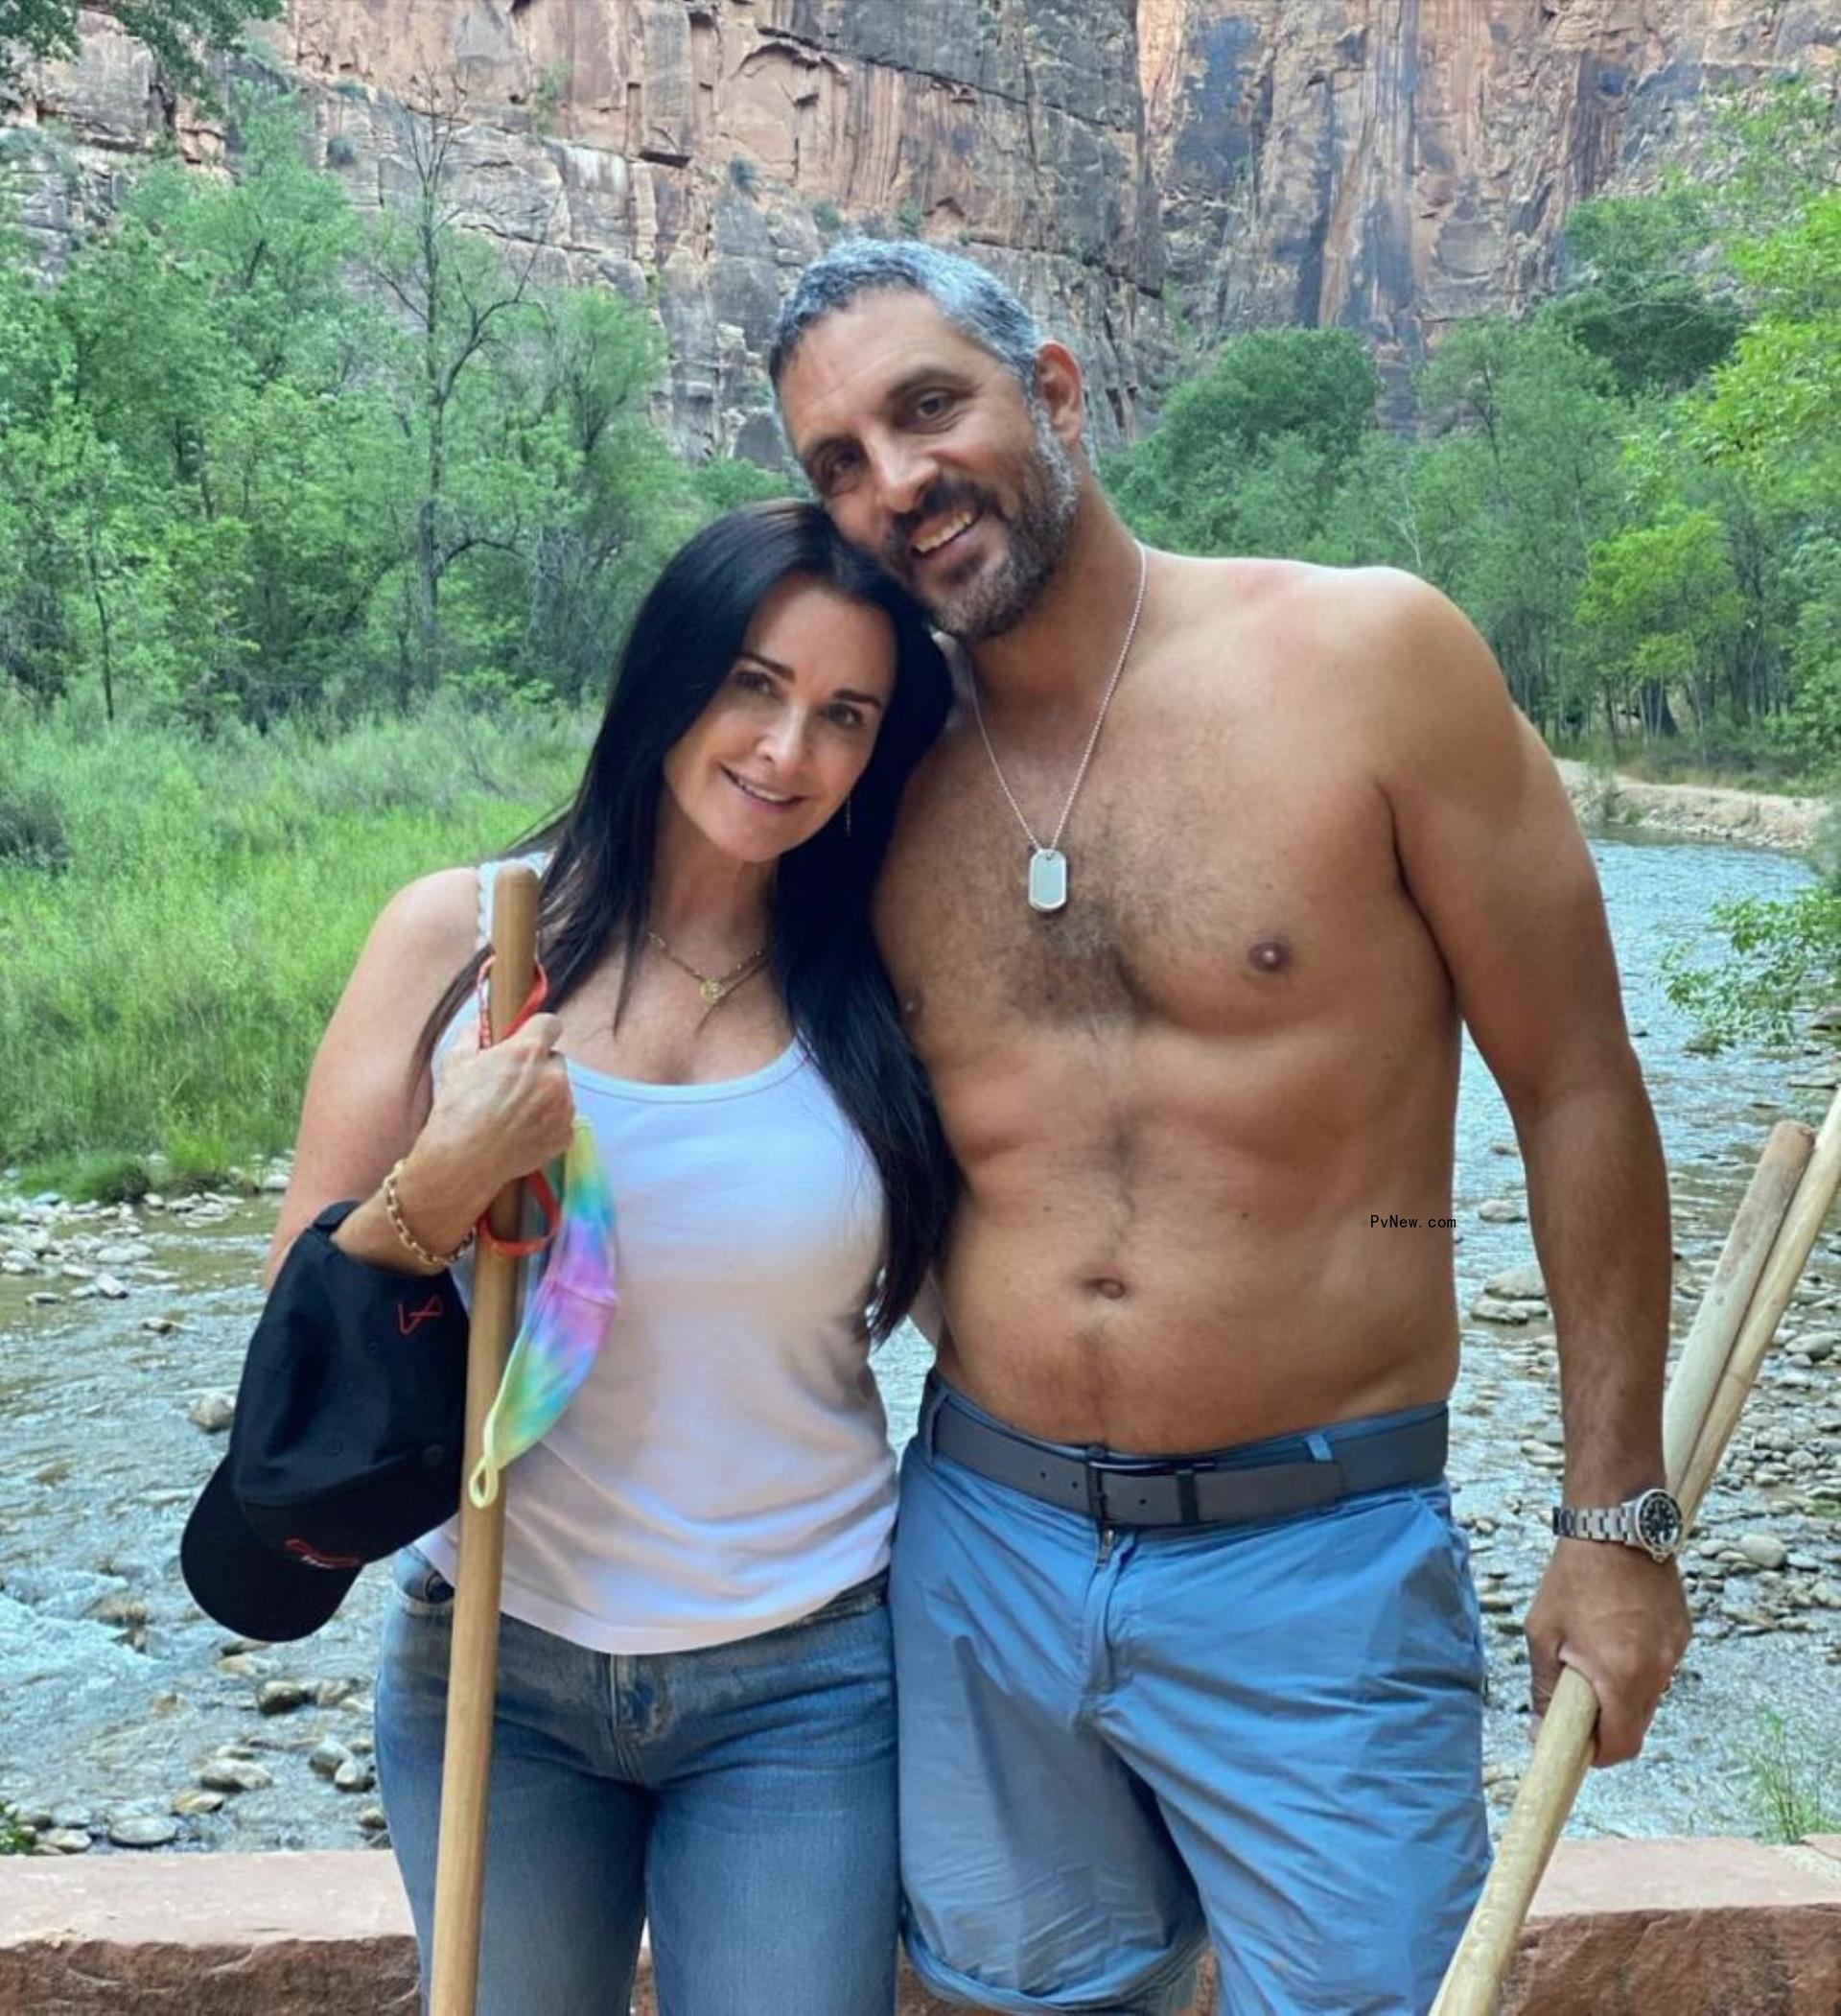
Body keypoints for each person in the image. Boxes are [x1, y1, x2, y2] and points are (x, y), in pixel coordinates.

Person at [768, 241, 1693, 2015]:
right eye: (837, 464)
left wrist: (1617, 1519)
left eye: (927, 406)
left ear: (1051, 387)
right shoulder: (868, 757)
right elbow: (666, 929)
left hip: (1319, 1562)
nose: (895, 483)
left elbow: (1577, 1081)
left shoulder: (1371, 660)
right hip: (981, 1546)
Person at [262, 500, 954, 2015]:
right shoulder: (457, 941)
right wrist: (441, 1181)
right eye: (753, 686)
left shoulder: (881, 989)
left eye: (845, 715)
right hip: (497, 1664)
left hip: (802, 1679)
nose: (788, 751)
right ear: (668, 678)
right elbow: (297, 1315)